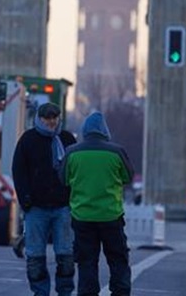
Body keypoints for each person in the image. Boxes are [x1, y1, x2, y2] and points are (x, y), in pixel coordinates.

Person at [63, 111, 133, 296]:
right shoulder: (116, 152)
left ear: (84, 130)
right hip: (111, 216)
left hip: (82, 216)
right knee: (118, 260)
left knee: (87, 262)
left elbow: (63, 178)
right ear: (105, 131)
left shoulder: (72, 152)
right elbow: (128, 176)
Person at [12, 102, 77, 296]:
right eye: (47, 118)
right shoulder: (28, 140)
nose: (51, 121)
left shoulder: (67, 139)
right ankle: (40, 292)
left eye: (54, 117)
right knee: (35, 256)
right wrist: (26, 200)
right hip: (36, 208)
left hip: (62, 207)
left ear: (59, 118)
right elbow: (19, 171)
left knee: (65, 255)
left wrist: (72, 199)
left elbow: (75, 171)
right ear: (39, 119)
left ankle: (64, 291)